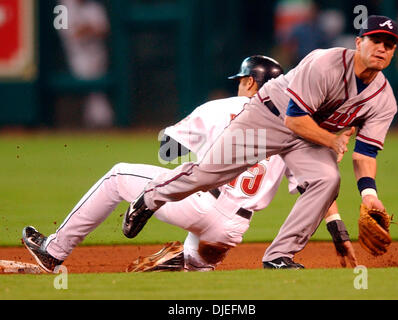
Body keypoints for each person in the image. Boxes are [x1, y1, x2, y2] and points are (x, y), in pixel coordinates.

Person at [22, 56, 356, 273]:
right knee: (194, 267)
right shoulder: (294, 125)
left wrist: (170, 134)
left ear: (252, 83)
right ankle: (187, 261)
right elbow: (312, 186)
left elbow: (167, 152)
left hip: (195, 202)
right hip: (232, 230)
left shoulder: (221, 107)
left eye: (241, 80)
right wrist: (337, 227)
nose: (239, 85)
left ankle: (53, 251)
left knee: (118, 175)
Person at [121, 15, 398, 269]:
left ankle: (279, 256)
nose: (381, 48)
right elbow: (294, 121)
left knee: (327, 179)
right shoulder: (325, 63)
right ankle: (150, 197)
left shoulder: (384, 99)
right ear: (358, 42)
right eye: (375, 40)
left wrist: (369, 195)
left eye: (389, 45)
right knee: (208, 175)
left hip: (307, 137)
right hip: (268, 118)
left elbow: (365, 154)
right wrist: (332, 141)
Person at [57, 0, 114, 128]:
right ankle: (96, 122)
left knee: (97, 92)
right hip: (75, 56)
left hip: (97, 54)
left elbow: (104, 29)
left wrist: (87, 29)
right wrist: (88, 28)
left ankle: (98, 123)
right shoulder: (63, 7)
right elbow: (68, 34)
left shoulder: (94, 6)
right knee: (92, 91)